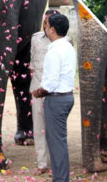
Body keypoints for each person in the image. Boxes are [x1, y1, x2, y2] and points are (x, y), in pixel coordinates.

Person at [32, 13, 76, 182]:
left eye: (47, 24)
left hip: (56, 99)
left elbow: (50, 83)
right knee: (59, 141)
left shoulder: (54, 51)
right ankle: (60, 177)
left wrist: (38, 92)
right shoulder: (68, 48)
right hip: (66, 97)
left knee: (56, 142)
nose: (45, 27)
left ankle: (61, 179)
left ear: (52, 30)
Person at [30, 9, 61, 175]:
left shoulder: (64, 41)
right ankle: (42, 163)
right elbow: (32, 63)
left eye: (49, 22)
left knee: (54, 129)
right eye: (45, 21)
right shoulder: (35, 38)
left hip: (55, 92)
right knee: (38, 127)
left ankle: (56, 163)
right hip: (37, 89)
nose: (45, 24)